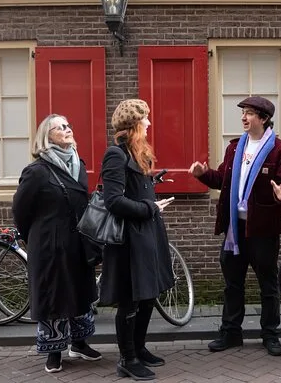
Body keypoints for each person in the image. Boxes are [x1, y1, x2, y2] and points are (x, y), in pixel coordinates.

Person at [189, 96, 281, 357]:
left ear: (264, 118)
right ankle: (231, 333)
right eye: (243, 112)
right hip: (235, 230)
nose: (243, 117)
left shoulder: (279, 149)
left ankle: (270, 334)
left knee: (268, 285)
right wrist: (203, 175)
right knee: (232, 284)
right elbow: (222, 179)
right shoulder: (235, 148)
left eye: (249, 113)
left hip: (263, 230)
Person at [12, 114, 100, 374]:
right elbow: (20, 210)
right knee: (54, 295)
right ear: (47, 136)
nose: (67, 129)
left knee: (80, 291)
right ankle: (54, 351)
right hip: (49, 245)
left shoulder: (78, 164)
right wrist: (35, 237)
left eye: (68, 125)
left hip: (77, 242)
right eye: (60, 127)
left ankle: (80, 344)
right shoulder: (37, 171)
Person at [99, 99, 175, 381]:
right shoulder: (115, 155)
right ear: (133, 124)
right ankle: (127, 359)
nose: (149, 123)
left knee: (148, 295)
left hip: (147, 233)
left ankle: (139, 348)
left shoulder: (137, 152)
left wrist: (152, 187)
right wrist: (149, 207)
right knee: (130, 300)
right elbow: (113, 201)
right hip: (129, 240)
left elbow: (133, 188)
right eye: (145, 119)